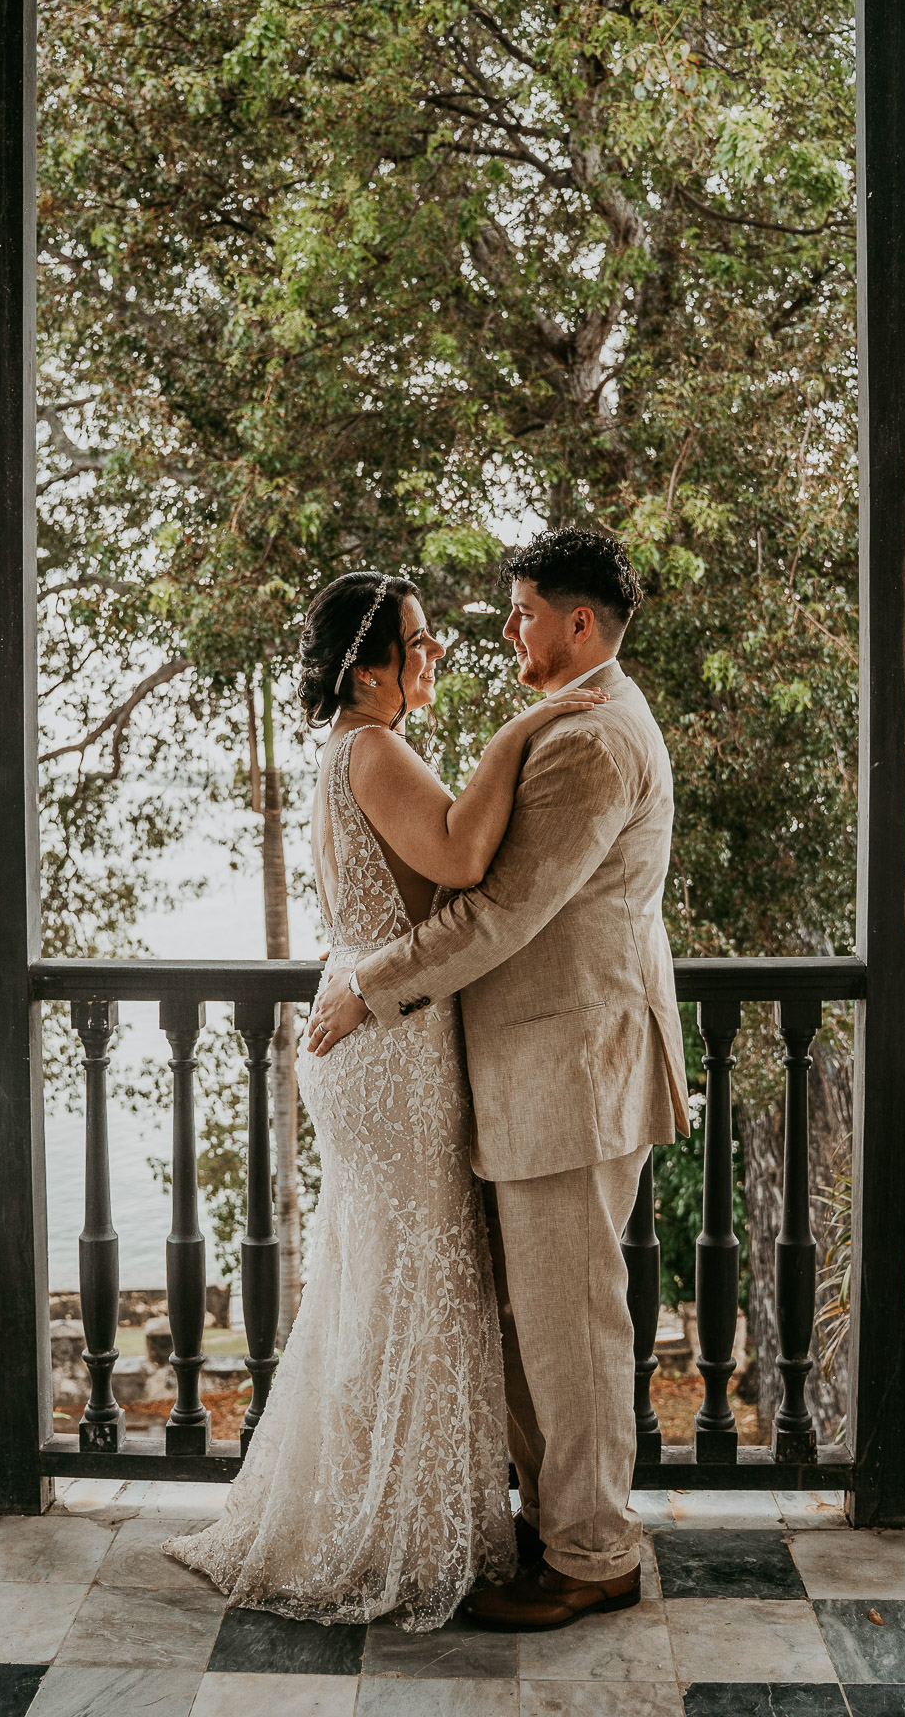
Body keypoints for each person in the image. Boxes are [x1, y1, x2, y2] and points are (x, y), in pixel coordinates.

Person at [163, 568, 606, 1631]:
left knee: (388, 1277)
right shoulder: (372, 746)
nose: (435, 653)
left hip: (368, 1028)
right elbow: (457, 851)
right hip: (389, 1051)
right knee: (420, 1278)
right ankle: (395, 1531)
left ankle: (378, 1509)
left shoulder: (346, 753)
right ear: (368, 669)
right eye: (417, 642)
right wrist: (524, 731)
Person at [309, 526, 690, 1633]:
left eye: (522, 610)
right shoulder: (572, 723)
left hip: (568, 1074)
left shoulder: (592, 742)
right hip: (533, 1073)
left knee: (571, 1329)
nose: (506, 628)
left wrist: (372, 986)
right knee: (537, 1323)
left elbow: (498, 912)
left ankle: (593, 1552)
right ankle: (554, 1526)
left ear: (580, 623)